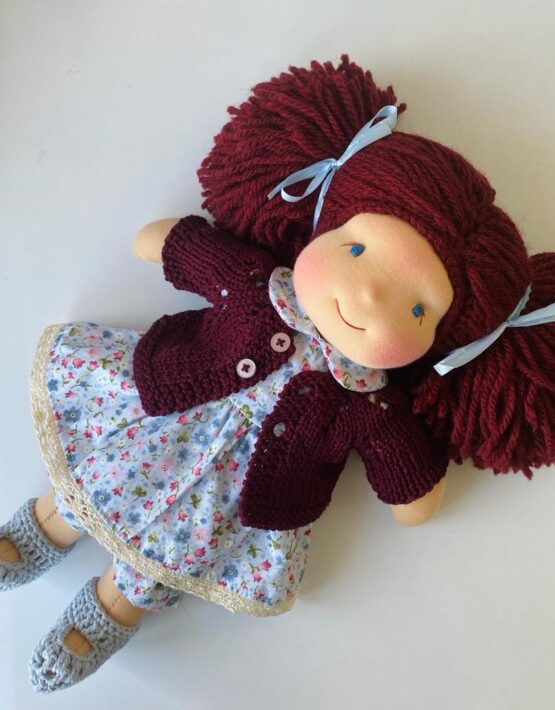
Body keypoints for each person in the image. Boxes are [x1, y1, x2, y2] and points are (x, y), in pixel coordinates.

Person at [1, 55, 553, 694]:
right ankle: (48, 524)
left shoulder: (369, 403)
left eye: (416, 310)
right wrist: (173, 242)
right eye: (356, 249)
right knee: (99, 478)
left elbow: (408, 483)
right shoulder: (259, 287)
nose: (369, 299)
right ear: (328, 223)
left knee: (165, 558)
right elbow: (188, 251)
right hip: (165, 416)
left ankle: (112, 606)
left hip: (234, 500)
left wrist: (413, 490)